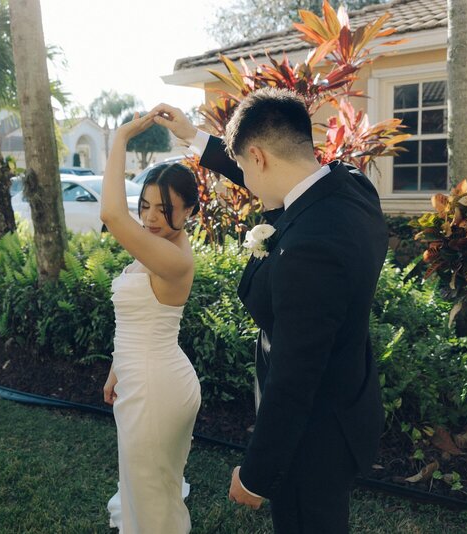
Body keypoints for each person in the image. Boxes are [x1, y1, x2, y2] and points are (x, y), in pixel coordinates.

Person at [152, 88, 387, 534]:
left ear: (257, 156)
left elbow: (296, 377)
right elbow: (281, 180)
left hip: (313, 437)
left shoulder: (309, 249)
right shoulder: (350, 187)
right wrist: (196, 138)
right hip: (348, 398)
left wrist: (258, 473)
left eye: (243, 165)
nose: (243, 176)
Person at [99, 112, 202, 533]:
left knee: (152, 494)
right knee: (147, 486)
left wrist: (121, 136)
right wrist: (115, 369)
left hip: (158, 389)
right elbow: (138, 318)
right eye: (144, 206)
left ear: (189, 210)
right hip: (141, 379)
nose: (151, 217)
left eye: (164, 208)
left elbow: (110, 213)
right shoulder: (161, 245)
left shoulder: (174, 259)